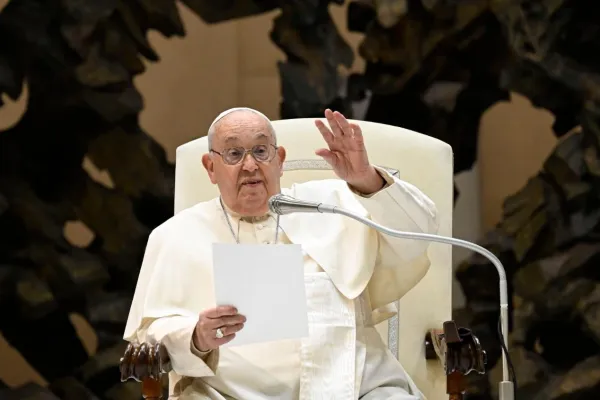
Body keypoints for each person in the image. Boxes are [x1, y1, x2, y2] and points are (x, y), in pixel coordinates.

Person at [123, 107, 439, 399]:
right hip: (227, 394)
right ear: (210, 167)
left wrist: (366, 178)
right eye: (234, 153)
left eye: (261, 151)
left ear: (280, 159)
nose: (250, 165)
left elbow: (417, 235)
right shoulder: (176, 235)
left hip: (355, 386)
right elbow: (150, 339)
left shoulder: (334, 204)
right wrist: (196, 337)